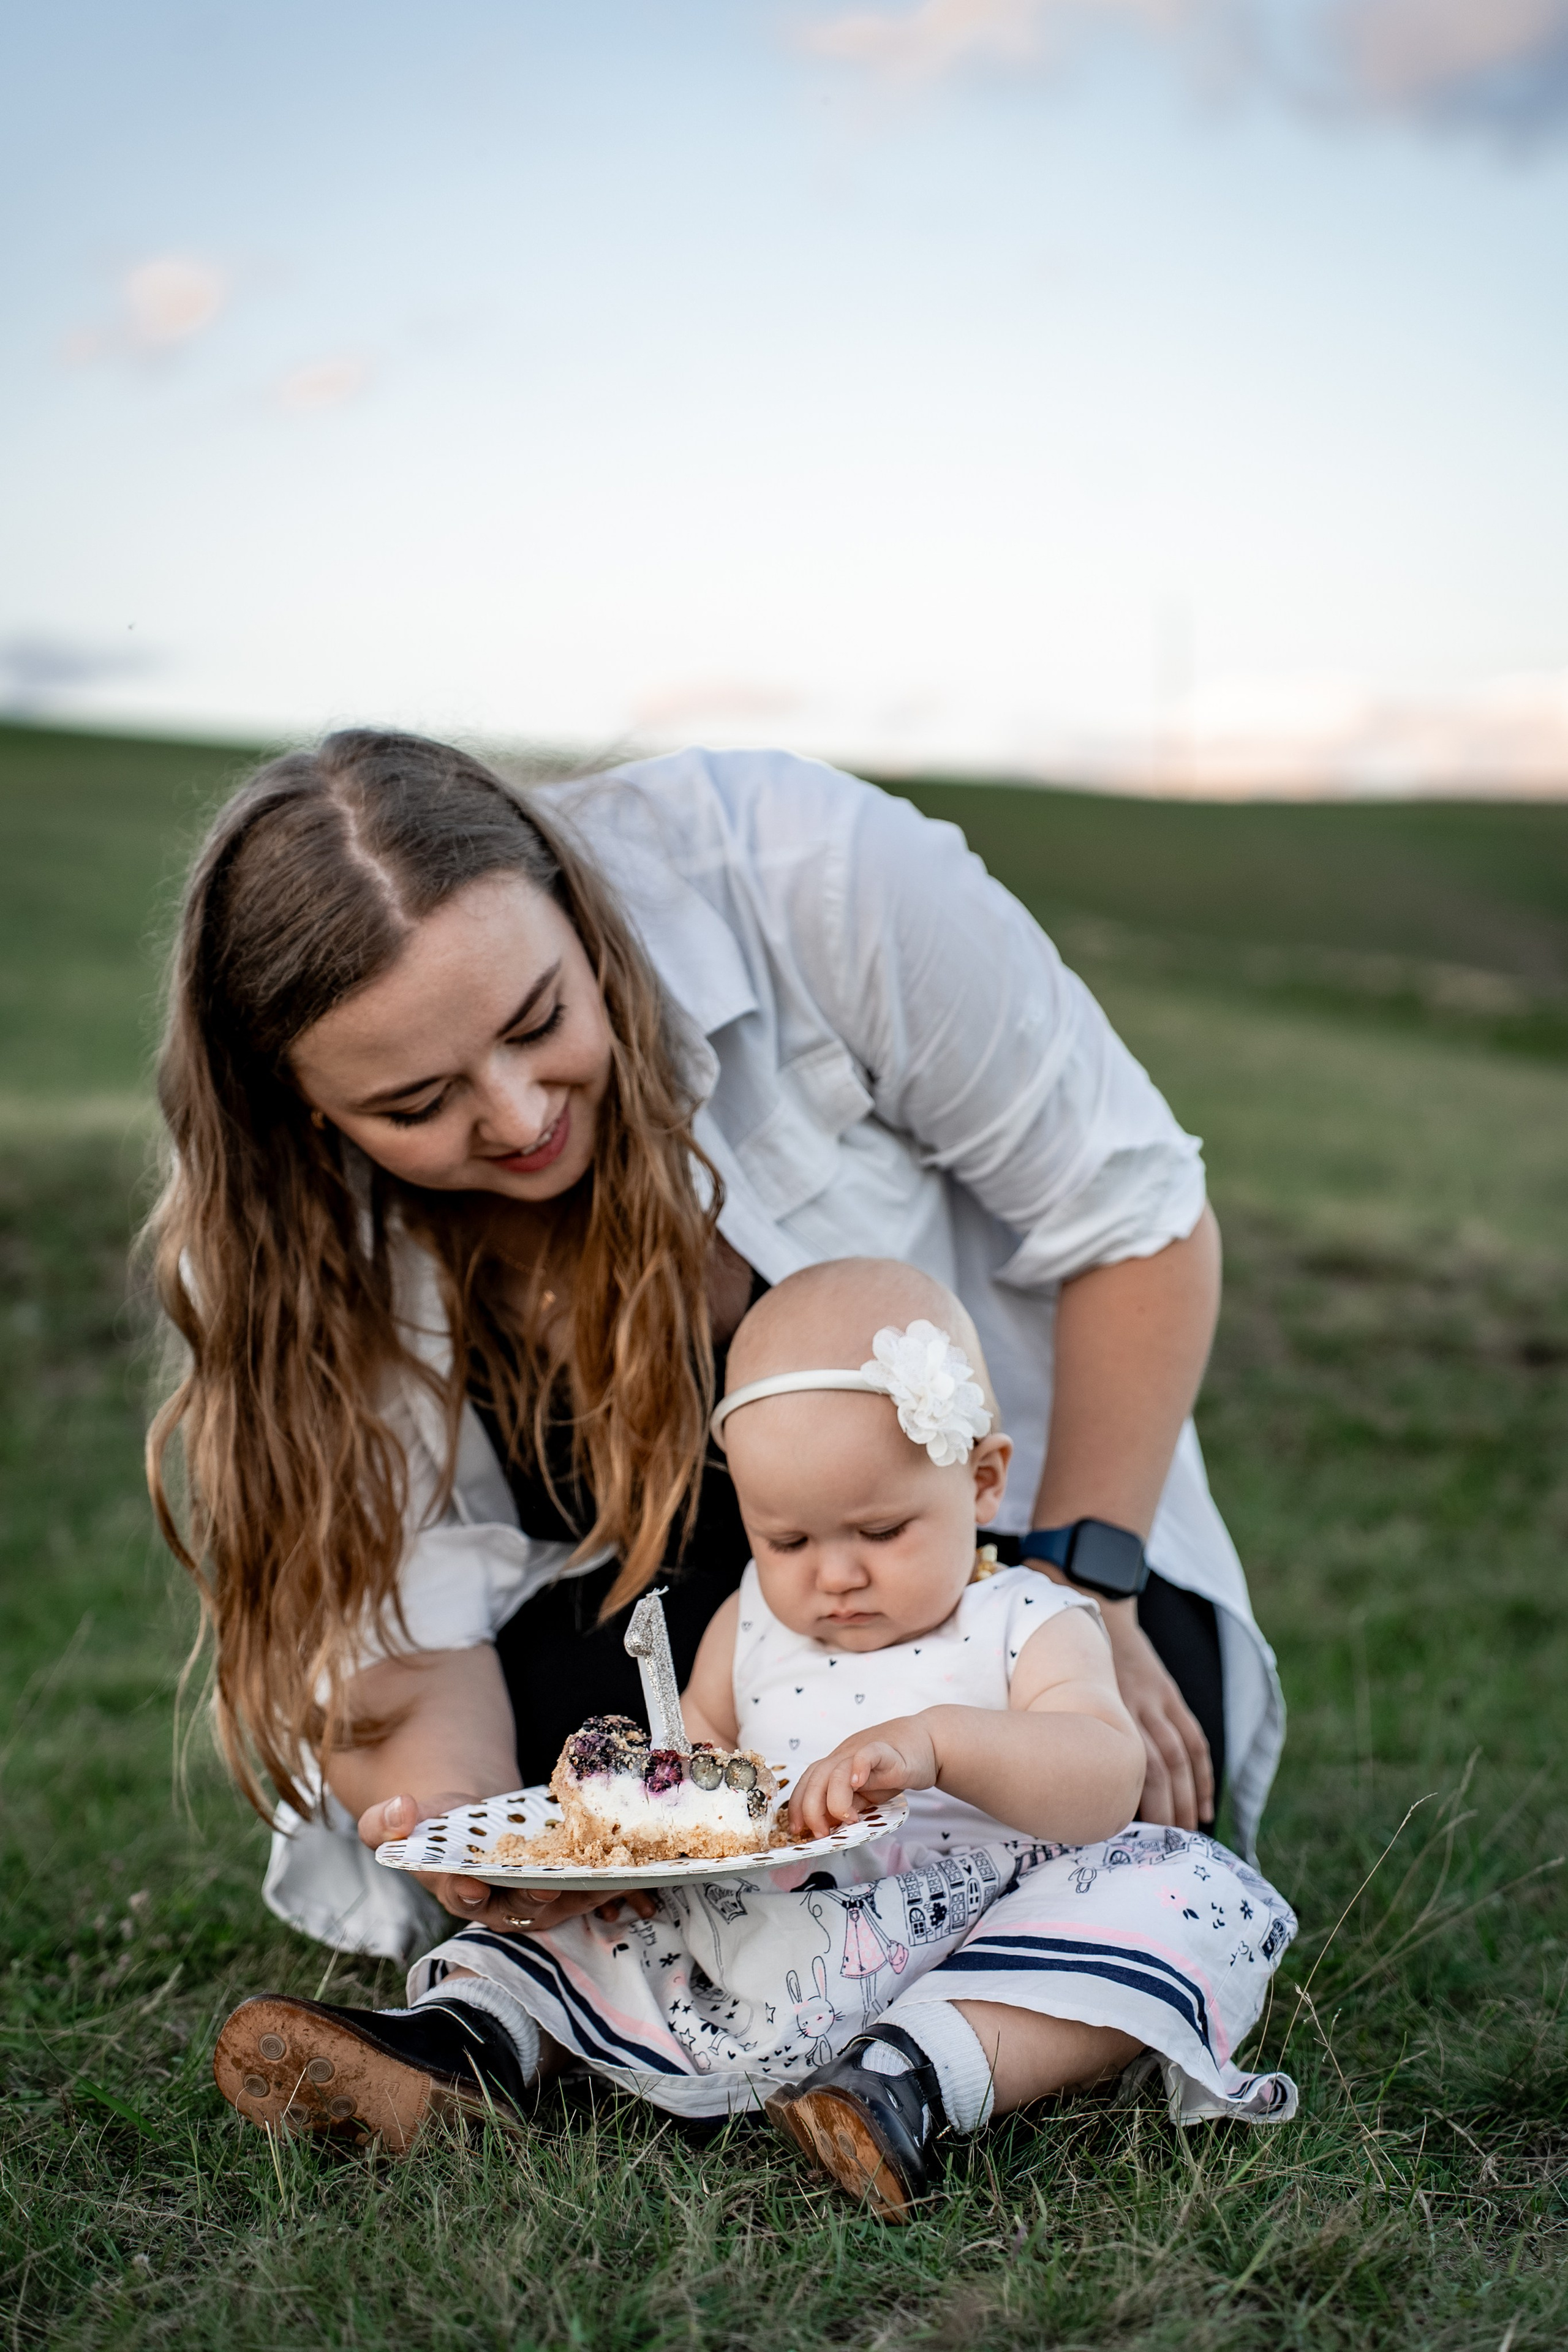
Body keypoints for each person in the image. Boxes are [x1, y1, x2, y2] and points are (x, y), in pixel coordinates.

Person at [145, 727, 1282, 2025]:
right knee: (584, 1779)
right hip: (673, 1650)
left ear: (581, 912)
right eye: (415, 1106)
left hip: (994, 1560)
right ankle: (495, 2019)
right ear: (304, 1116)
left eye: (539, 1022)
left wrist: (1089, 1592)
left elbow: (1133, 1215)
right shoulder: (303, 1240)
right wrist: (474, 1833)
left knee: (1099, 1763)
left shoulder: (810, 872)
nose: (519, 1119)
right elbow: (410, 1609)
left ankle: (860, 2021)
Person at [211, 1261, 1297, 2217]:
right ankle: (464, 2042)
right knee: (596, 1935)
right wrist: (582, 1852)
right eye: (788, 1538)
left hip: (971, 1934)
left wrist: (941, 1745)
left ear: (980, 1480)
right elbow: (691, 1773)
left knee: (1182, 1894)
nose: (834, 1573)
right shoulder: (750, 1625)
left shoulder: (1024, 1619)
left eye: (881, 1531)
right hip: (758, 1937)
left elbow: (1108, 1776)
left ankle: (908, 2085)